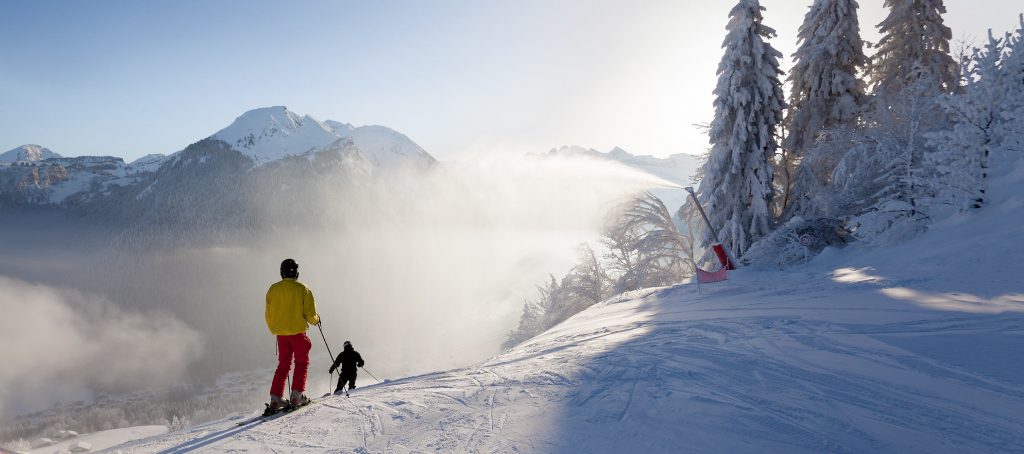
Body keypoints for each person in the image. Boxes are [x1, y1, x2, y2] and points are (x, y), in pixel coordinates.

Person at [265, 258, 320, 410]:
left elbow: (268, 315)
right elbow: (310, 314)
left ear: (281, 273)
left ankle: (276, 399)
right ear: (296, 272)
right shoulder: (303, 289)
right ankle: (296, 395)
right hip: (298, 334)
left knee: (283, 365)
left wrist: (275, 329)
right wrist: (316, 321)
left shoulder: (273, 289)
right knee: (301, 362)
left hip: (281, 335)